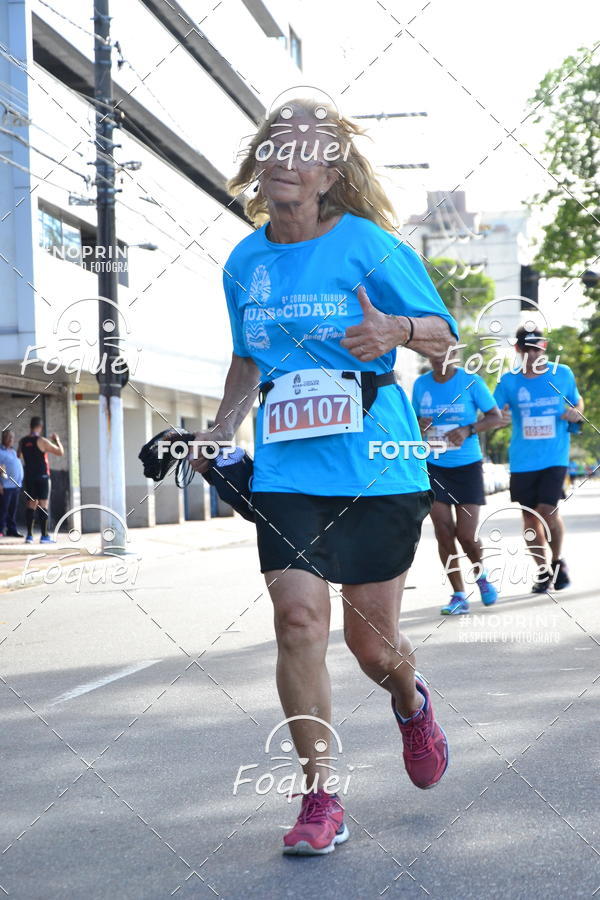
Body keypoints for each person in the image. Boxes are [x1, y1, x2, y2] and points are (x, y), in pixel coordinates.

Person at [190, 98, 458, 855]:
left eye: (304, 149)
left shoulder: (368, 246)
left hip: (378, 462)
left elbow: (445, 342)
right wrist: (217, 430)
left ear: (329, 173)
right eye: (275, 144)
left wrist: (397, 331)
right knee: (297, 621)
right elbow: (249, 358)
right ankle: (319, 797)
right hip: (287, 466)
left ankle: (411, 703)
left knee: (373, 649)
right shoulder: (245, 262)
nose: (284, 157)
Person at [494, 327, 583, 592]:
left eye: (538, 348)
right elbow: (495, 412)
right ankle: (543, 571)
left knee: (548, 512)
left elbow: (578, 402)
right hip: (523, 460)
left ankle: (557, 561)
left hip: (555, 456)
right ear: (519, 350)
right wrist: (501, 418)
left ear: (544, 348)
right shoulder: (508, 381)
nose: (534, 354)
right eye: (528, 349)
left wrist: (576, 412)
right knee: (530, 519)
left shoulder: (562, 373)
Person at [412, 358, 503, 614]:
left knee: (466, 535)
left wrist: (468, 429)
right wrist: (419, 424)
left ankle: (481, 576)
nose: (439, 356)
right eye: (434, 351)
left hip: (467, 466)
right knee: (442, 529)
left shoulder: (470, 381)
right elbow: (413, 421)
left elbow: (495, 417)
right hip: (434, 464)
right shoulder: (421, 384)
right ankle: (459, 594)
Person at [18, 416, 64, 544]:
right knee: (43, 505)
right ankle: (44, 536)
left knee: (30, 504)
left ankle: (29, 536)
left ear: (30, 426)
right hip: (42, 477)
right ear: (40, 427)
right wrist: (57, 440)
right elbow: (60, 452)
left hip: (30, 477)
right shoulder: (42, 441)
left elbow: (19, 455)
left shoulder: (23, 441)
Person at [0, 429, 24, 538]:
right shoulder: (0, 452)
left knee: (12, 510)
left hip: (16, 485)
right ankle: (1, 530)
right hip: (5, 486)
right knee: (3, 509)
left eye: (12, 437)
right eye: (8, 437)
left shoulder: (13, 451)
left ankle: (11, 530)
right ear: (3, 438)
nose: (11, 439)